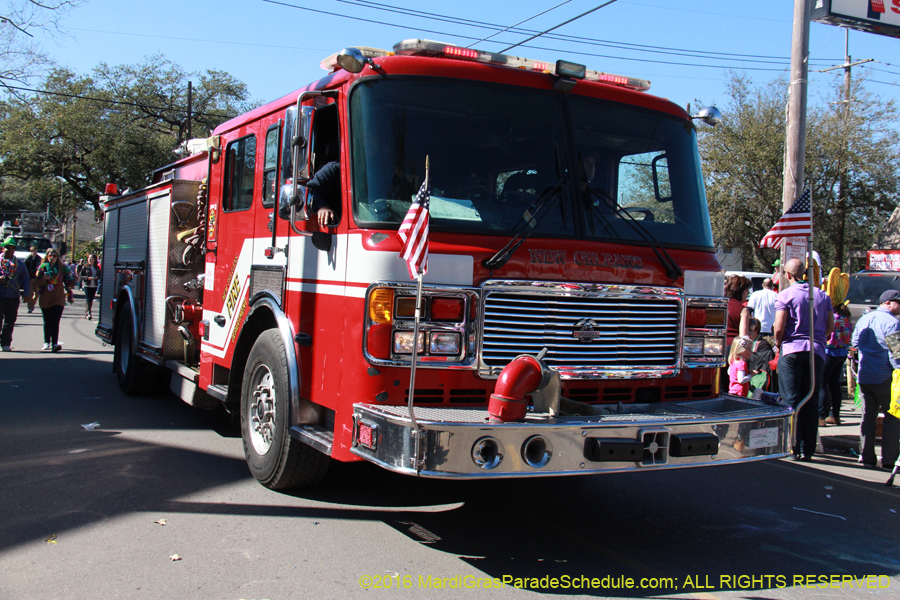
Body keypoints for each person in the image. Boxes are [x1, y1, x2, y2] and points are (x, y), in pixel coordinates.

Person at [773, 258, 834, 461]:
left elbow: (779, 327)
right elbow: (830, 328)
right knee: (811, 397)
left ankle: (790, 446)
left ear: (787, 275)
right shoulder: (822, 295)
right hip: (816, 351)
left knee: (790, 399)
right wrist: (818, 339)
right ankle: (808, 448)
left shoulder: (785, 295)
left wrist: (778, 343)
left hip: (792, 349)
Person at [850, 289, 900, 471]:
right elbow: (897, 355)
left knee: (868, 418)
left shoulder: (864, 319)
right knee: (892, 418)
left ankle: (867, 456)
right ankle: (889, 459)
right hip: (885, 376)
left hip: (864, 376)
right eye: (898, 302)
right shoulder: (893, 323)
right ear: (887, 303)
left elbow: (854, 343)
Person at [819, 298, 852, 426]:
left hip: (829, 352)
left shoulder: (831, 316)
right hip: (842, 352)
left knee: (821, 384)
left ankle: (820, 416)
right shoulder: (846, 316)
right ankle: (835, 415)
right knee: (834, 385)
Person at [35, 249, 73, 352]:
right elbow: (37, 283)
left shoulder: (62, 268)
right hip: (45, 298)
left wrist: (73, 279)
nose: (52, 258)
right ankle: (47, 341)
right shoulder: (42, 268)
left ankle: (55, 343)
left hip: (58, 297)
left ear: (57, 257)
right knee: (47, 321)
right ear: (47, 257)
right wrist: (43, 278)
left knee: (55, 320)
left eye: (54, 256)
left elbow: (69, 281)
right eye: (50, 256)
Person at [0, 237, 31, 352]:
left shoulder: (19, 264)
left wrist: (26, 293)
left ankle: (6, 343)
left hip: (13, 295)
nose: (10, 250)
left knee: (10, 321)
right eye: (7, 248)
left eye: (12, 248)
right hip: (0, 295)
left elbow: (25, 279)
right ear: (3, 248)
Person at [308, 160, 341, 228]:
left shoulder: (368, 173)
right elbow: (310, 191)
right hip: (333, 231)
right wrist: (322, 206)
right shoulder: (334, 170)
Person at [747, 318, 776, 393]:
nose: (748, 332)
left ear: (756, 330)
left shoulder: (763, 344)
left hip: (758, 380)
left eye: (751, 330)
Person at [724, 274, 752, 348]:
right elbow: (743, 337)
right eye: (746, 290)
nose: (748, 293)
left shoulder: (720, 305)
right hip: (733, 347)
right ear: (739, 291)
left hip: (716, 345)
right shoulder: (743, 310)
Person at [81, 254, 100, 320]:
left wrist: (97, 277)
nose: (90, 259)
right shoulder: (85, 267)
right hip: (87, 285)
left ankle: (87, 311)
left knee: (91, 299)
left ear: (94, 259)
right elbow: (81, 275)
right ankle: (89, 312)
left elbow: (100, 275)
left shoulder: (96, 268)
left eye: (91, 258)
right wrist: (87, 278)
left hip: (94, 285)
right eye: (89, 258)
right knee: (88, 299)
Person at [23, 245, 41, 314]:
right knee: (30, 294)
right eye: (33, 251)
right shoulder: (27, 259)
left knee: (37, 294)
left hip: (36, 279)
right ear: (31, 251)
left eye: (36, 251)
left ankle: (32, 304)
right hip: (29, 278)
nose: (35, 253)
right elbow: (24, 268)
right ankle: (30, 308)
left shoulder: (39, 259)